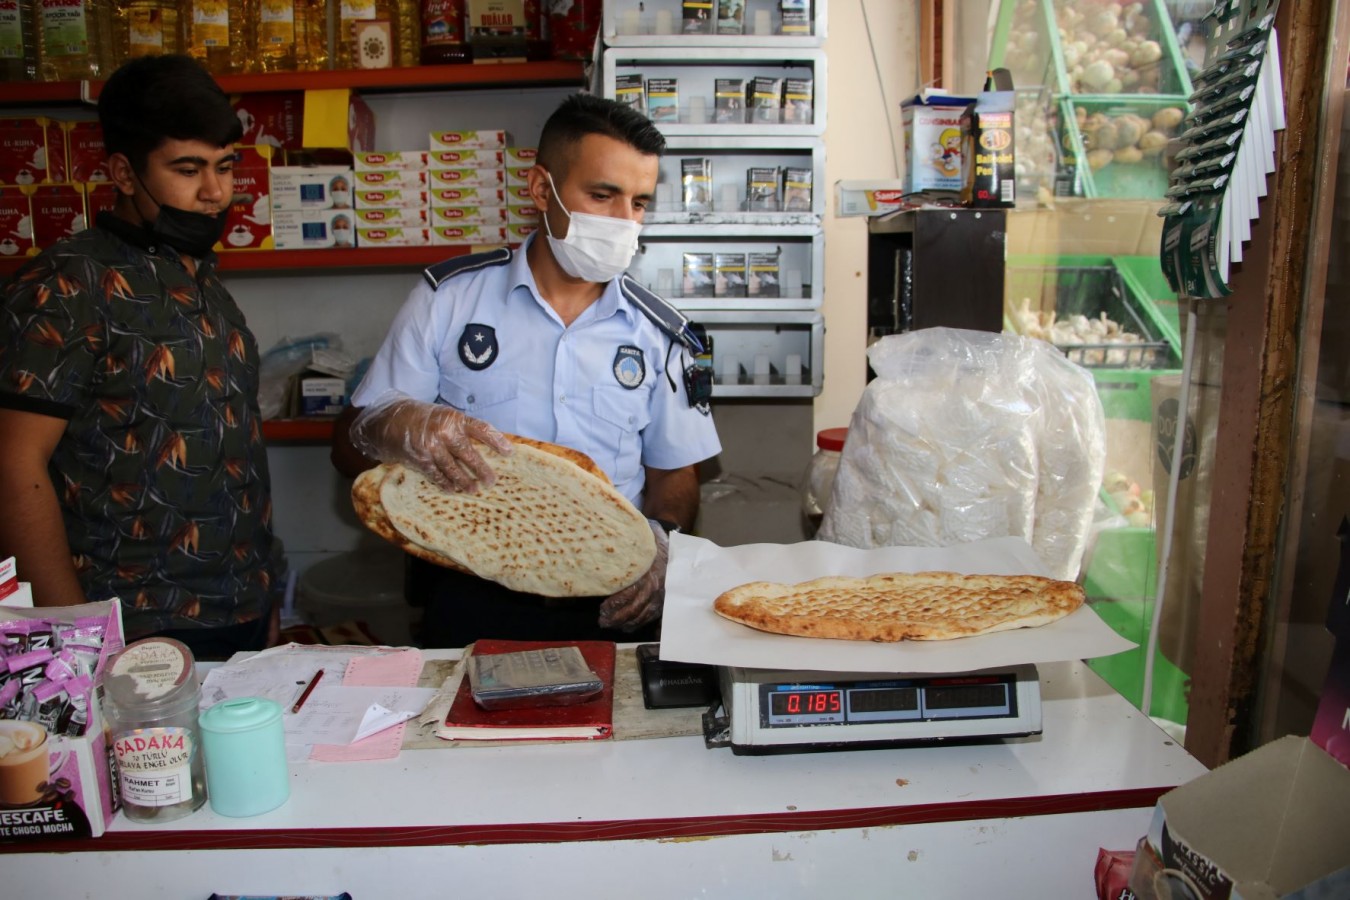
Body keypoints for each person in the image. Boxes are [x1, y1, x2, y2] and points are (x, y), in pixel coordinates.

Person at [331, 93, 721, 647]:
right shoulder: (449, 300)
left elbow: (675, 472)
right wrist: (393, 427)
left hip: (608, 602)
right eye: (602, 195)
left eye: (638, 202)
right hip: (472, 593)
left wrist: (661, 543)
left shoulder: (663, 333)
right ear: (542, 189)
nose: (623, 221)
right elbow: (347, 449)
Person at [0, 54, 278, 659]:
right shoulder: (67, 285)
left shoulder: (204, 280)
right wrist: (75, 639)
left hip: (239, 611)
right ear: (124, 174)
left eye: (225, 167)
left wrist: (268, 595)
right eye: (188, 169)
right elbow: (14, 466)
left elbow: (235, 455)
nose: (215, 193)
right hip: (131, 627)